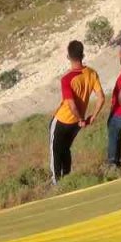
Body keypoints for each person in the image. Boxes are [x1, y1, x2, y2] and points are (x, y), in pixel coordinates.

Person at [50, 40, 105, 183]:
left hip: (63, 119)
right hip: (76, 123)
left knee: (55, 151)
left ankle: (56, 181)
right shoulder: (92, 73)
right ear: (83, 55)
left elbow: (72, 105)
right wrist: (92, 116)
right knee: (66, 149)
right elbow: (101, 98)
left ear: (68, 57)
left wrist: (80, 118)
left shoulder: (67, 79)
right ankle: (67, 178)